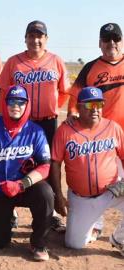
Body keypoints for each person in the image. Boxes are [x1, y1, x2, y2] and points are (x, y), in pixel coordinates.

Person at [0, 20, 70, 232]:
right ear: (25, 38)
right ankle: (11, 209)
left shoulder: (56, 61)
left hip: (47, 122)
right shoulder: (14, 62)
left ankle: (51, 211)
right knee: (13, 161)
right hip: (21, 123)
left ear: (46, 39)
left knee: (47, 164)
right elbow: (2, 92)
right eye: (31, 35)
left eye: (40, 36)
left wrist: (53, 107)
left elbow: (65, 91)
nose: (35, 40)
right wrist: (3, 117)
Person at [0, 85, 54, 261]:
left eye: (21, 102)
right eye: (11, 102)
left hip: (23, 188)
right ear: (4, 104)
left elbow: (45, 166)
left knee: (45, 193)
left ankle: (38, 243)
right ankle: (5, 219)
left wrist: (21, 184)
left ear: (27, 105)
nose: (16, 106)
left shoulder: (35, 131)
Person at [50, 86, 124, 256]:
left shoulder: (113, 128)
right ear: (79, 107)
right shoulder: (65, 131)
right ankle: (94, 222)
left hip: (111, 191)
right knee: (74, 244)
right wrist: (59, 196)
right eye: (90, 105)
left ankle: (119, 238)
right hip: (82, 197)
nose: (95, 109)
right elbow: (55, 164)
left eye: (99, 104)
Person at [67, 23, 124, 240]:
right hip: (104, 136)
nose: (112, 43)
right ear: (100, 43)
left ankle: (120, 236)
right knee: (100, 182)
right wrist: (73, 113)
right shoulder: (91, 67)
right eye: (107, 39)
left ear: (121, 41)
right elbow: (75, 97)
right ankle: (95, 223)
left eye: (116, 39)